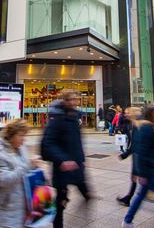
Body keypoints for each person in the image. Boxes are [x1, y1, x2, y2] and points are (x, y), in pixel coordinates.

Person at [41, 91, 89, 228]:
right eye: (71, 100)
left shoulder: (75, 116)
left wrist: (82, 158)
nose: (75, 102)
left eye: (76, 99)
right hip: (62, 168)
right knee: (60, 203)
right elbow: (48, 143)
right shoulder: (57, 118)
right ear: (64, 101)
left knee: (87, 195)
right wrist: (62, 160)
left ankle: (78, 221)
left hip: (77, 165)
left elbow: (78, 141)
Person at [0, 119, 34, 227]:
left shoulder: (20, 148)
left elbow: (23, 171)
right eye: (20, 135)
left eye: (24, 135)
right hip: (0, 212)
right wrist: (27, 166)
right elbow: (2, 180)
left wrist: (33, 167)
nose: (23, 139)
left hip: (16, 208)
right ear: (11, 135)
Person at [116, 107, 142, 206]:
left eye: (127, 113)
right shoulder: (135, 123)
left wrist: (125, 155)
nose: (125, 114)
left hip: (139, 156)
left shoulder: (138, 124)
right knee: (136, 178)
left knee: (144, 180)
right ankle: (128, 198)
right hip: (137, 155)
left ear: (132, 113)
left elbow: (136, 144)